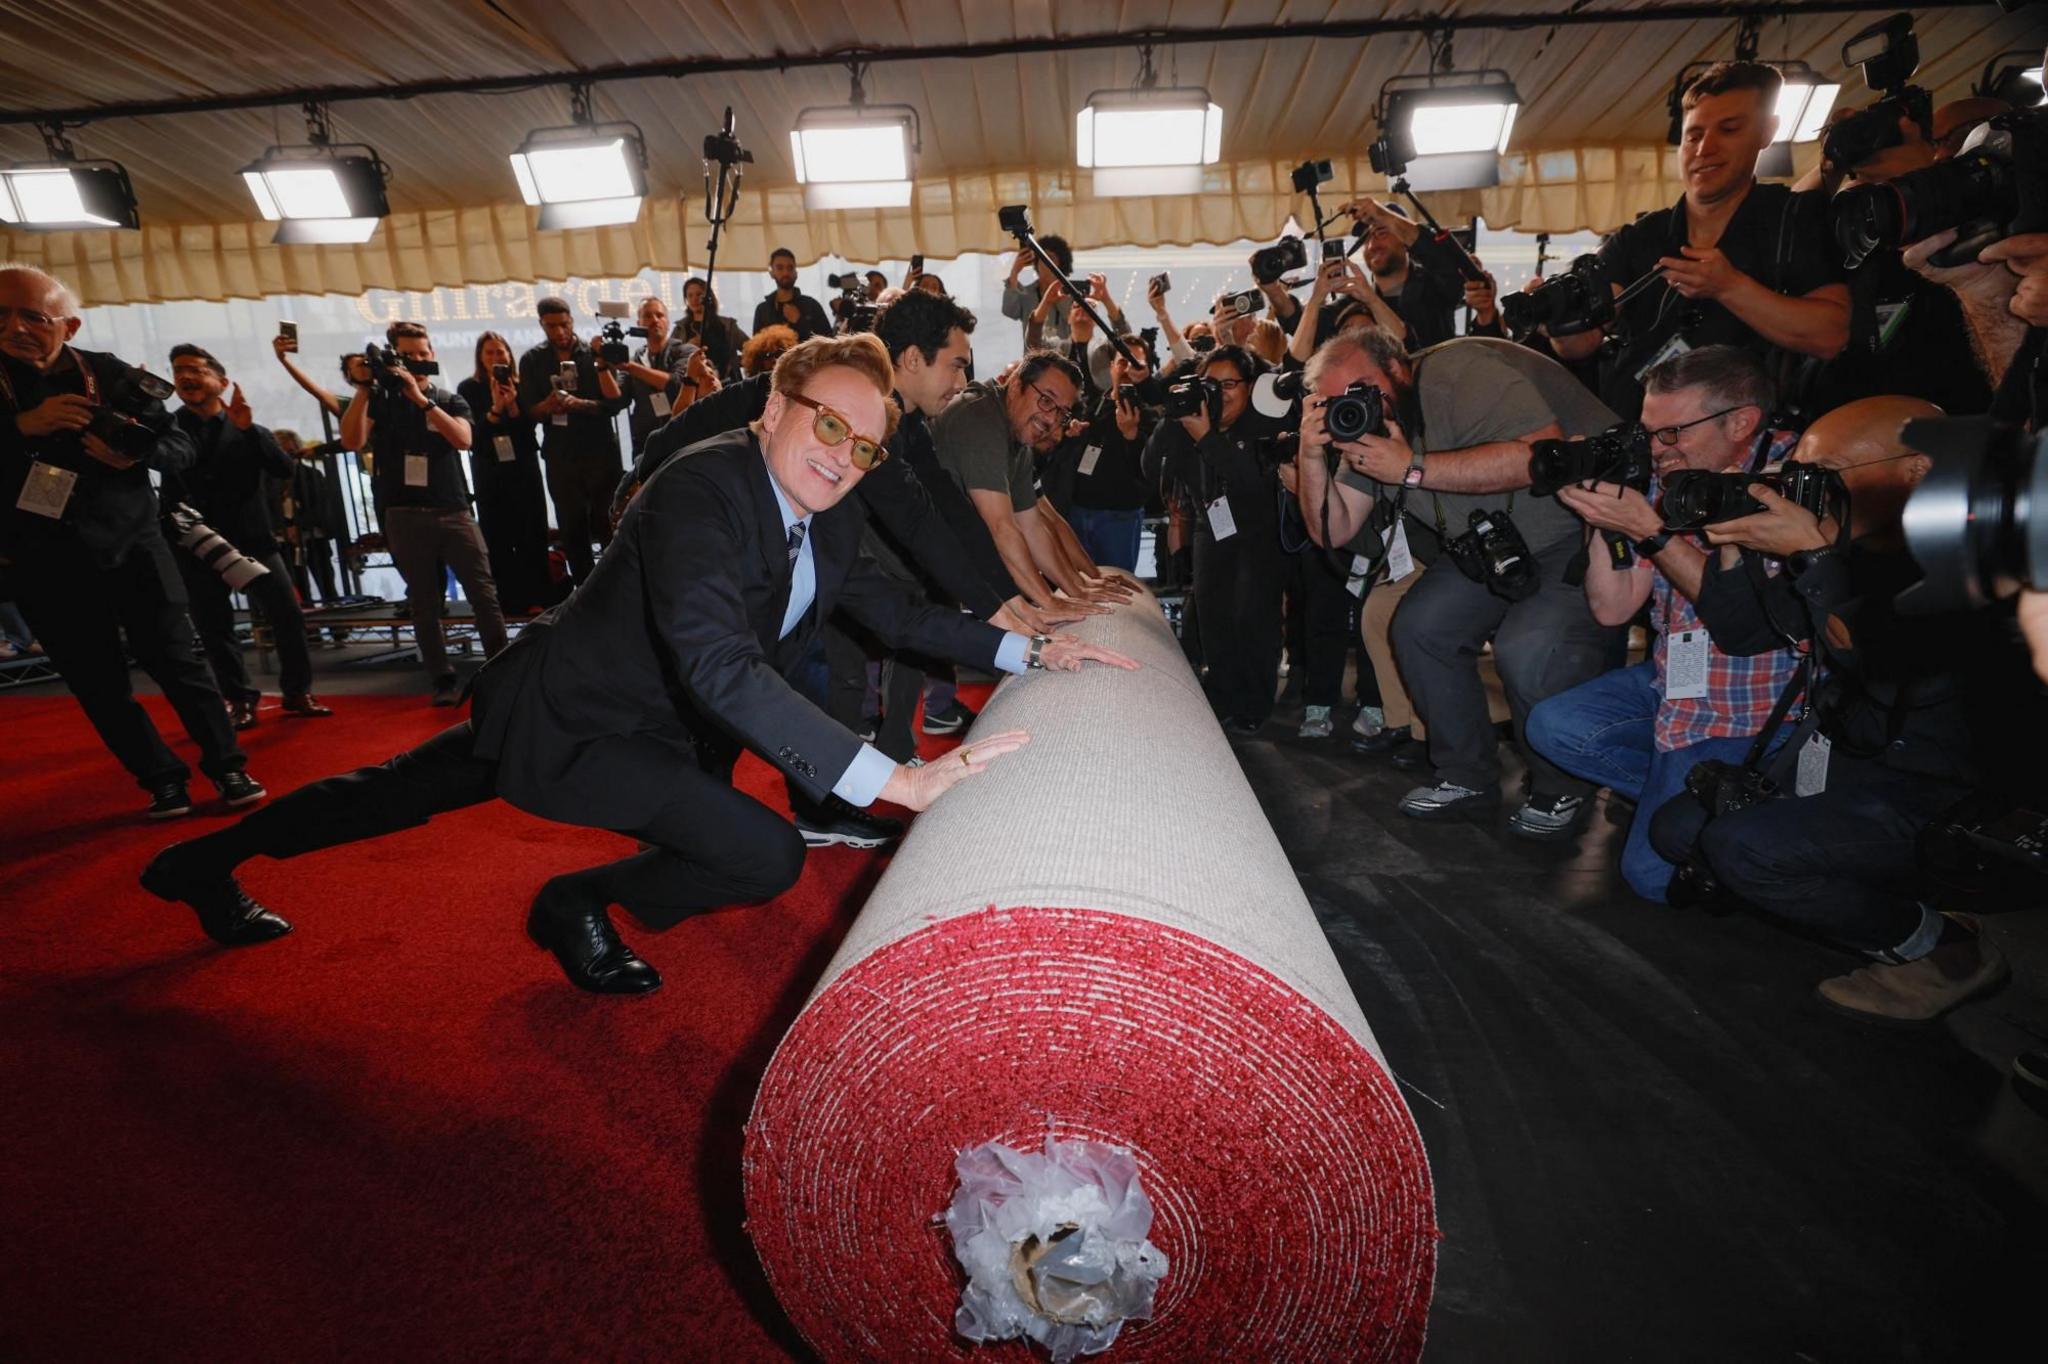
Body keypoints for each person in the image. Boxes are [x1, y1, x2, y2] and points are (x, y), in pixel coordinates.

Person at [142, 334, 1138, 994]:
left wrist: (1031, 647)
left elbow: (901, 611)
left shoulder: (831, 522)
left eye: (865, 446)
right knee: (387, 797)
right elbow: (720, 663)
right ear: (772, 412)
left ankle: (579, 899)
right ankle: (210, 861)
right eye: (827, 424)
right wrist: (898, 779)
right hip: (573, 711)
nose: (841, 456)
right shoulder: (699, 490)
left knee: (754, 851)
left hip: (667, 730)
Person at [1658, 395, 2045, 1021]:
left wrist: (1814, 559)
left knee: (1743, 850)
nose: (1810, 490)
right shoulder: (1859, 540)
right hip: (1852, 760)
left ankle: (1947, 951)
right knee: (1680, 831)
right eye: (1801, 474)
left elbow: (1899, 682)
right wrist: (1731, 548)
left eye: (1825, 473)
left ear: (1917, 468)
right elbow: (1746, 634)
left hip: (1952, 797)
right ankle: (1840, 897)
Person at [1293, 329, 1624, 833]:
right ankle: (1467, 776)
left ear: (1397, 368)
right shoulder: (1365, 426)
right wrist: (1310, 455)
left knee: (1529, 648)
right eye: (1336, 401)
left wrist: (1411, 469)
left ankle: (1561, 788)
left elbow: (1544, 453)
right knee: (1421, 627)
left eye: (1362, 388)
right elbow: (1332, 528)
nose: (1353, 406)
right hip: (1492, 542)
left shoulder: (1459, 371)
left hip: (1575, 527)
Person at [1524, 346, 1801, 899]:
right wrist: (1601, 515)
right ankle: (1700, 805)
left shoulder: (1787, 483)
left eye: (1673, 433)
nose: (1657, 449)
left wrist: (1650, 530)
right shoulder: (1668, 472)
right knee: (1553, 727)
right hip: (1676, 684)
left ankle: (1750, 812)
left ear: (1742, 422)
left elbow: (1739, 622)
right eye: (1649, 432)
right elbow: (1613, 607)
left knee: (1650, 878)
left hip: (1748, 710)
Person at [0, 263, 265, 816]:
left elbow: (179, 448)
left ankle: (228, 767)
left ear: (68, 327)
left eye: (32, 316)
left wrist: (137, 452)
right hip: (40, 558)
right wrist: (21, 428)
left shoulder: (111, 374)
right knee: (96, 682)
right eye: (0, 316)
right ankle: (160, 779)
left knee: (179, 663)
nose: (14, 328)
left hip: (134, 543)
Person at [1550, 61, 1850, 420]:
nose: (1705, 148)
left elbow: (1831, 334)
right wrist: (1558, 315)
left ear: (1767, 132)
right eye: (1693, 135)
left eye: (1729, 129)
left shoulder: (1795, 218)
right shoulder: (1640, 237)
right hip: (1631, 437)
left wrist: (1728, 287)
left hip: (1742, 449)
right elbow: (1578, 344)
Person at [160, 344, 330, 727]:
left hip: (254, 541)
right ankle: (239, 699)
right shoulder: (168, 429)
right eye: (178, 370)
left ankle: (298, 691)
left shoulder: (249, 426)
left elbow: (285, 469)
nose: (185, 376)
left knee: (286, 616)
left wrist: (248, 430)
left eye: (195, 370)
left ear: (220, 382)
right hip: (196, 543)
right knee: (214, 626)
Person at [343, 321, 508, 705]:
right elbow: (352, 440)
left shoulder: (449, 399)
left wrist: (421, 399)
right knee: (424, 601)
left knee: (484, 594)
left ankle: (502, 671)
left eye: (423, 353)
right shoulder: (380, 402)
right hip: (403, 512)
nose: (418, 360)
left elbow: (464, 439)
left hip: (453, 509)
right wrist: (365, 387)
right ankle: (442, 679)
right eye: (409, 355)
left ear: (432, 355)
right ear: (396, 357)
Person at [1805, 98, 1999, 416]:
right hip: (1863, 424)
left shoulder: (2008, 221)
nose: (1938, 151)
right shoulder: (1878, 225)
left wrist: (1921, 174)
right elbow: (1793, 232)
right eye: (1932, 140)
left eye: (1941, 139)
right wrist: (1832, 165)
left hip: (1962, 425)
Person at [1143, 344, 1288, 732]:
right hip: (1212, 529)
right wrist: (1173, 418)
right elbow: (1150, 464)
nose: (1220, 393)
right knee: (1213, 618)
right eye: (1211, 384)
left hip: (1259, 533)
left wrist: (1207, 437)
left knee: (1252, 618)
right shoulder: (1189, 422)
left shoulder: (1263, 425)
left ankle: (1254, 706)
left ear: (1251, 386)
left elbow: (1251, 484)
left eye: (1230, 384)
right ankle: (1222, 697)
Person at [933, 351, 1131, 623]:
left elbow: (1034, 525)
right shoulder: (981, 418)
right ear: (1016, 385)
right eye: (1046, 400)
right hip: (910, 573)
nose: (1051, 419)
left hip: (940, 571)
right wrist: (1048, 601)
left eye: (1062, 412)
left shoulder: (1019, 442)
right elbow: (1001, 527)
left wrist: (1079, 588)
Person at [518, 296, 628, 586]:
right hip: (560, 455)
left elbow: (615, 404)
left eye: (563, 324)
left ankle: (618, 589)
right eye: (551, 326)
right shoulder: (532, 360)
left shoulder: (594, 354)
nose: (559, 332)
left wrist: (579, 404)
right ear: (542, 324)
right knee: (572, 529)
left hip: (600, 452)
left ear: (572, 321)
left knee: (610, 526)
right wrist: (548, 405)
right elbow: (529, 410)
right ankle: (584, 596)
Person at [458, 332, 555, 614]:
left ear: (509, 355)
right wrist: (495, 408)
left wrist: (512, 405)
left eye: (501, 352)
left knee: (532, 531)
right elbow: (476, 436)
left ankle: (539, 596)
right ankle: (507, 599)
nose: (496, 358)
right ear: (480, 357)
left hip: (523, 466)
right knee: (496, 533)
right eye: (489, 353)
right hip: (490, 469)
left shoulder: (523, 384)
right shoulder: (468, 388)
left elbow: (527, 430)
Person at [1330, 199, 1471, 351]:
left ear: (1405, 241)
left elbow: (1447, 263)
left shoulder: (1435, 286)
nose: (1372, 245)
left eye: (1382, 233)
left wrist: (1384, 215)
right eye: (1366, 239)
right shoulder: (1356, 302)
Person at [272, 429, 347, 608]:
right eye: (281, 452)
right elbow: (267, 508)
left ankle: (338, 629)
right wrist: (283, 528)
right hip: (284, 540)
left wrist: (299, 525)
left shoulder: (311, 475)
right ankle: (311, 632)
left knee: (327, 585)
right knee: (298, 588)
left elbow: (321, 506)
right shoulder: (268, 478)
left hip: (313, 537)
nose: (287, 457)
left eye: (291, 452)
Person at [1003, 235, 1077, 346]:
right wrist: (1014, 272)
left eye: (1051, 258)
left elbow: (1073, 318)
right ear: (1036, 262)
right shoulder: (1027, 293)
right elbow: (1009, 311)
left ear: (1061, 263)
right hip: (1034, 360)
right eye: (1042, 258)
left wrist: (1055, 288)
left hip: (1065, 359)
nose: (1046, 263)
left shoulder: (1073, 294)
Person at [752, 247, 834, 341]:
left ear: (796, 273)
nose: (786, 272)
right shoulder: (763, 310)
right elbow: (756, 350)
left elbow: (828, 343)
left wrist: (799, 321)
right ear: (772, 273)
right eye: (780, 268)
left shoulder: (811, 305)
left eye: (790, 268)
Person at [678, 276, 747, 382]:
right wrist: (687, 348)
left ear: (708, 297)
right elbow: (673, 360)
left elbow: (750, 348)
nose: (694, 299)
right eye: (690, 295)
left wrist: (733, 362)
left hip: (727, 384)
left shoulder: (727, 325)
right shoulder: (680, 328)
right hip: (696, 387)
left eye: (699, 294)